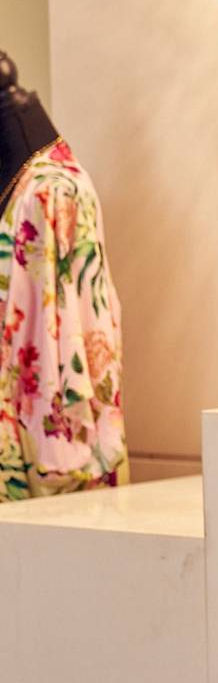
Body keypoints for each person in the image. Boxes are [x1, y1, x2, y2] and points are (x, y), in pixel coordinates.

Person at [0, 49, 125, 499]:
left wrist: (58, 455)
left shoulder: (52, 193)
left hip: (52, 461)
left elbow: (63, 335)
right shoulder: (28, 184)